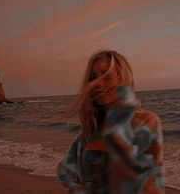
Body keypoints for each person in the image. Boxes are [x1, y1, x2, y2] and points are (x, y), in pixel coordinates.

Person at [56, 50, 165, 194]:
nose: (97, 84)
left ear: (124, 79)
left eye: (106, 76)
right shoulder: (89, 132)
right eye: (93, 77)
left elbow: (153, 186)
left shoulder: (145, 123)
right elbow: (64, 171)